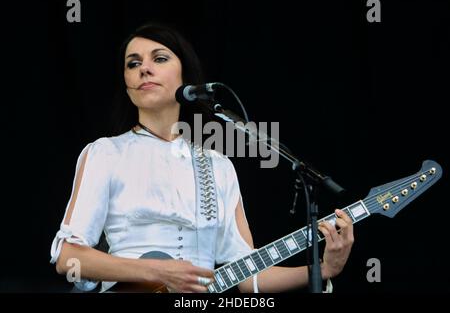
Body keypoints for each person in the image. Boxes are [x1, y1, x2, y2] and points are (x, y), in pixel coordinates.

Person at [50, 22, 354, 293]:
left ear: (186, 76)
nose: (144, 68)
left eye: (159, 58)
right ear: (127, 84)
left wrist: (323, 270)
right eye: (133, 63)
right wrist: (158, 271)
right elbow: (68, 257)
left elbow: (249, 278)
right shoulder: (106, 152)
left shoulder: (219, 166)